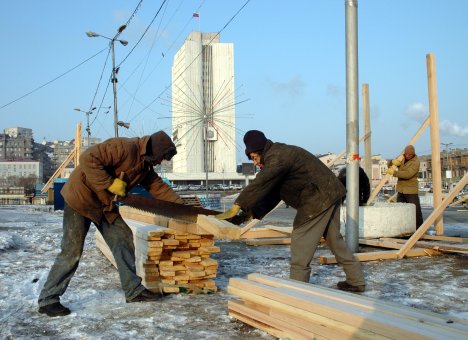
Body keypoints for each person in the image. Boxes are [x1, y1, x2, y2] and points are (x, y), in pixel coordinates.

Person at [38, 131, 184, 317]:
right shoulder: (124, 147)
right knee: (71, 251)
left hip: (104, 204)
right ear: (155, 150)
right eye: (162, 158)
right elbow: (87, 158)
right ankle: (48, 299)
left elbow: (160, 189)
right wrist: (110, 183)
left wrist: (184, 208)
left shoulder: (145, 168)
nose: (160, 162)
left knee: (122, 238)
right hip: (80, 198)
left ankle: (134, 291)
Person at [217, 130, 366, 292]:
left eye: (254, 158)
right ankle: (356, 280)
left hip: (317, 198)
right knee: (334, 240)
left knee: (300, 242)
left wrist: (238, 204)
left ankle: (296, 291)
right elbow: (273, 194)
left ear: (260, 150)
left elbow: (261, 182)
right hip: (330, 194)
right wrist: (250, 213)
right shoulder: (277, 157)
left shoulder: (278, 156)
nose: (254, 163)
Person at [386, 144, 423, 229]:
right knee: (401, 210)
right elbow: (391, 165)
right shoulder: (402, 158)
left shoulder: (416, 162)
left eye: (410, 155)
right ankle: (403, 228)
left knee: (415, 210)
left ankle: (419, 229)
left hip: (411, 190)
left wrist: (394, 173)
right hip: (401, 189)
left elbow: (408, 174)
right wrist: (391, 162)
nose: (408, 156)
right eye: (406, 154)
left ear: (413, 154)